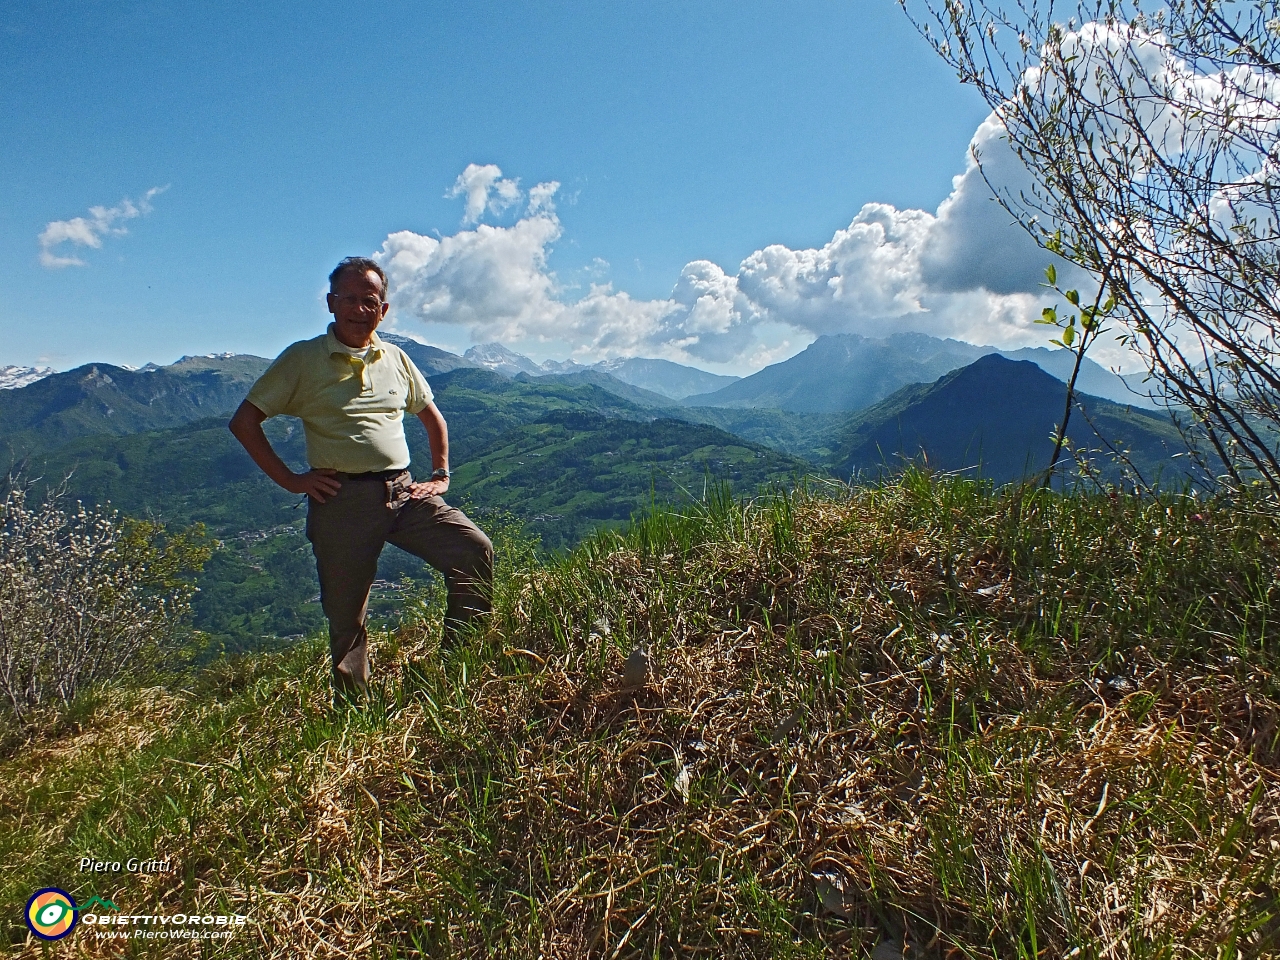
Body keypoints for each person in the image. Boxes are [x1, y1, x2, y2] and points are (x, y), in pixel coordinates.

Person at [228, 256, 492, 701]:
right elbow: (244, 422)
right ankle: (357, 709)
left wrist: (441, 474)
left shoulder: (396, 358)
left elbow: (433, 418)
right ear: (331, 303)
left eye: (369, 300)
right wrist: (292, 481)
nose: (358, 308)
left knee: (473, 550)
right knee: (346, 612)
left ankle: (458, 668)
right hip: (342, 500)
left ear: (383, 310)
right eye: (348, 298)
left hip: (402, 490)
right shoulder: (302, 360)